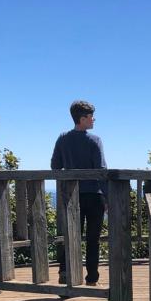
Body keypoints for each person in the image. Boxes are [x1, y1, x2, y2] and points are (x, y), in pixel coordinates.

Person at [51, 100, 108, 286]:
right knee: (93, 239)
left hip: (72, 196)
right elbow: (101, 170)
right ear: (82, 119)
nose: (94, 119)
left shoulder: (62, 138)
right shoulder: (95, 140)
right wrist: (108, 198)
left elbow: (55, 165)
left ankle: (65, 272)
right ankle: (92, 278)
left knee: (71, 236)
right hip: (94, 195)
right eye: (91, 116)